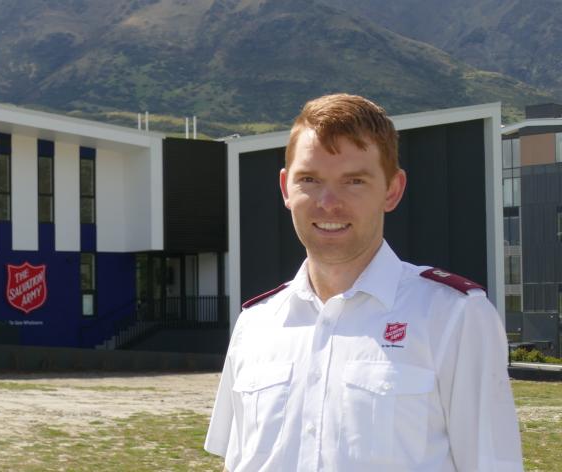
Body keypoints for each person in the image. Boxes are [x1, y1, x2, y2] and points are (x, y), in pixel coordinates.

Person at [204, 94, 523, 471]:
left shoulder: (454, 317)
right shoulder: (256, 325)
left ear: (392, 190)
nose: (328, 202)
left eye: (354, 181)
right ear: (286, 189)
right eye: (309, 179)